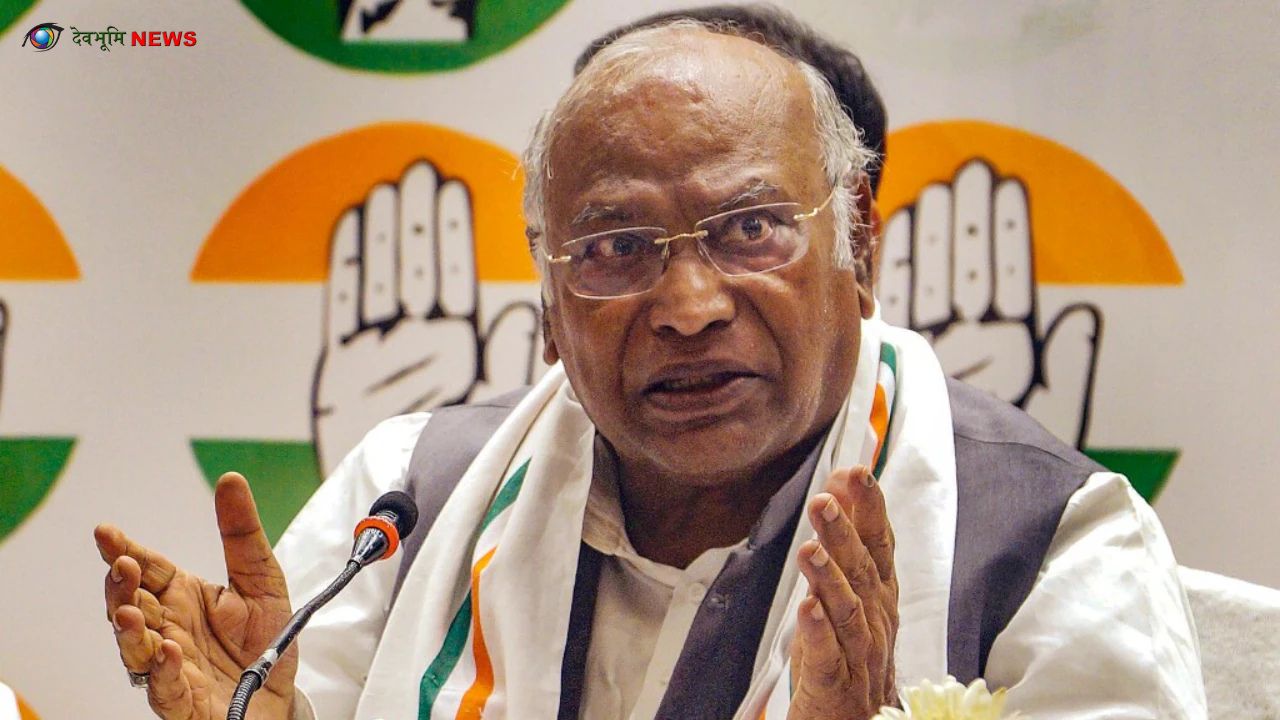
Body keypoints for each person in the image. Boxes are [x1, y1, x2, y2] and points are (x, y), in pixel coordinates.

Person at [94, 8, 1205, 720]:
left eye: (750, 229)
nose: (686, 308)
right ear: (547, 300)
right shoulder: (409, 494)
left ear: (858, 245)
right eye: (616, 248)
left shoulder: (1046, 541)